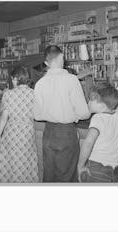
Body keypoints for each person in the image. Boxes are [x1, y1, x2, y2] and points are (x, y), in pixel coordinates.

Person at [33, 45, 90, 182]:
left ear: (46, 63)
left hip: (48, 133)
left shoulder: (40, 83)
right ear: (62, 57)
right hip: (67, 133)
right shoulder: (71, 80)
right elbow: (84, 113)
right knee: (67, 176)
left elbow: (37, 115)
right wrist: (75, 116)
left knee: (49, 176)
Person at [77, 84, 118, 182]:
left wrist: (80, 165)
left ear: (100, 103)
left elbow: (88, 143)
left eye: (90, 100)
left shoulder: (98, 118)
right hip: (115, 170)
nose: (88, 103)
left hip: (96, 169)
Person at [0, 66, 39, 183]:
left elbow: (4, 117)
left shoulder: (8, 94)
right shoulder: (34, 94)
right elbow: (37, 114)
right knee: (25, 162)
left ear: (16, 78)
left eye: (12, 79)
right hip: (27, 132)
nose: (12, 82)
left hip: (11, 133)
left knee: (10, 163)